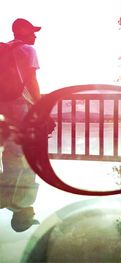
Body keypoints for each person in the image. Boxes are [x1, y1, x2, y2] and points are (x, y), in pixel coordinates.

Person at [0, 18, 42, 232]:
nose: (35, 35)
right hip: (18, 103)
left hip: (3, 103)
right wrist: (41, 105)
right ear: (23, 32)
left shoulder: (5, 49)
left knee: (11, 147)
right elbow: (32, 81)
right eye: (32, 32)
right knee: (20, 149)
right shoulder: (27, 50)